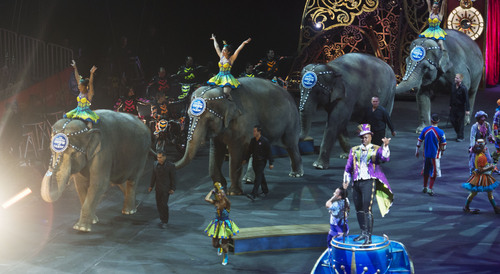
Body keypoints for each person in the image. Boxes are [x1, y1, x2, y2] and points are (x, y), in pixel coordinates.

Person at [343, 124, 393, 245]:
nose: (364, 139)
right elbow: (348, 167)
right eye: (362, 137)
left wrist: (385, 146)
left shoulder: (376, 149)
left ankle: (368, 236)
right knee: (358, 208)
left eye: (366, 137)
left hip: (368, 182)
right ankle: (363, 232)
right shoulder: (354, 150)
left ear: (370, 137)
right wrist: (346, 181)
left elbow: (385, 158)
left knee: (367, 208)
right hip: (357, 182)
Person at [204, 182, 240, 266]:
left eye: (220, 193)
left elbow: (227, 200)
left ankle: (225, 256)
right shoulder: (216, 202)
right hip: (217, 224)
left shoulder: (227, 204)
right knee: (215, 244)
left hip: (225, 225)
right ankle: (220, 248)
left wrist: (222, 192)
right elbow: (206, 199)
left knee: (225, 244)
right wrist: (211, 191)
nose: (218, 195)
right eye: (218, 193)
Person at [207, 34, 251, 100]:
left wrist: (244, 43)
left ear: (228, 52)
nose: (222, 51)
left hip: (227, 78)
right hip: (219, 76)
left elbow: (238, 50)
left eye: (224, 50)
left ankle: (231, 103)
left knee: (226, 93)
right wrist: (214, 39)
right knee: (212, 90)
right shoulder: (221, 56)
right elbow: (217, 47)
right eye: (223, 50)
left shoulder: (231, 59)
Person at [462, 139, 500, 214]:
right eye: (484, 147)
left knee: (484, 192)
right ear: (482, 149)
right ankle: (466, 206)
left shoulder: (478, 155)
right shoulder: (481, 157)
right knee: (477, 192)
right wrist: (490, 167)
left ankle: (495, 208)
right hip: (481, 177)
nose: (486, 149)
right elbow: (480, 170)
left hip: (480, 176)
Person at [416, 114, 447, 196]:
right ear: (438, 121)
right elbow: (443, 145)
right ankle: (430, 188)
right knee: (434, 172)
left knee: (426, 171)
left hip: (426, 155)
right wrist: (442, 151)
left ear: (431, 120)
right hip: (435, 156)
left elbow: (419, 140)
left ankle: (424, 187)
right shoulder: (440, 132)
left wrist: (417, 150)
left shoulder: (425, 129)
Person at [64, 60, 99, 128]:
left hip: (85, 112)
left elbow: (91, 84)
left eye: (80, 86)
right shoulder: (80, 91)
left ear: (84, 87)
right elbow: (77, 77)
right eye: (78, 85)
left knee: (89, 126)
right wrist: (75, 67)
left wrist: (91, 74)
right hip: (77, 110)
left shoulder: (89, 94)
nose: (78, 86)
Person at [148, 150, 176, 229]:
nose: (159, 159)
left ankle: (165, 221)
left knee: (164, 204)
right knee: (159, 204)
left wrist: (173, 188)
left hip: (166, 189)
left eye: (160, 157)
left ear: (164, 157)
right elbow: (153, 176)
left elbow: (173, 178)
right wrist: (151, 186)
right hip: (158, 188)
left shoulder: (170, 166)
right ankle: (161, 218)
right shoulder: (155, 164)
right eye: (157, 157)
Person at [245, 125, 274, 201]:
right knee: (261, 175)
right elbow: (249, 151)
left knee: (258, 178)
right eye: (253, 131)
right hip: (255, 161)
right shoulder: (253, 141)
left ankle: (253, 194)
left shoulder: (265, 141)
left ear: (259, 132)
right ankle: (265, 190)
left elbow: (269, 152)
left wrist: (271, 163)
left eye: (255, 131)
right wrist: (246, 159)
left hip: (262, 161)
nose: (253, 133)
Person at [419, 0, 448, 67]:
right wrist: (428, 2)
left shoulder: (440, 15)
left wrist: (443, 2)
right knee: (422, 42)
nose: (433, 8)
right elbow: (428, 3)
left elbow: (443, 5)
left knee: (440, 43)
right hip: (429, 31)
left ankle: (444, 57)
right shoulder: (431, 13)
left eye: (435, 7)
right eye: (433, 7)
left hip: (437, 31)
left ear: (438, 8)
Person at [449, 73, 470, 142]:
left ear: (460, 79)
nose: (455, 79)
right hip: (454, 107)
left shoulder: (463, 88)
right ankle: (458, 132)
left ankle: (460, 136)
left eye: (457, 78)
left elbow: (467, 99)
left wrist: (467, 109)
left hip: (461, 107)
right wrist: (450, 105)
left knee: (460, 122)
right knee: (452, 120)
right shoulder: (453, 86)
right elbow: (451, 96)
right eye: (455, 77)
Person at [492, 100, 500, 164]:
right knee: (498, 150)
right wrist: (496, 135)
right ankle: (494, 165)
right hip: (499, 134)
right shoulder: (498, 114)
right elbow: (495, 125)